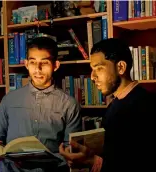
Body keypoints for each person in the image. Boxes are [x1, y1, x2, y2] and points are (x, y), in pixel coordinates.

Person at [0, 37, 82, 172]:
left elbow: (71, 150)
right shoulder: (9, 99)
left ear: (56, 65)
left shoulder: (69, 104)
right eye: (33, 62)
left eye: (45, 62)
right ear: (26, 64)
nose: (38, 69)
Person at [59, 38, 155, 172]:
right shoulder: (116, 103)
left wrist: (93, 162)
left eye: (99, 68)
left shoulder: (146, 106)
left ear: (121, 67)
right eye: (92, 69)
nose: (92, 77)